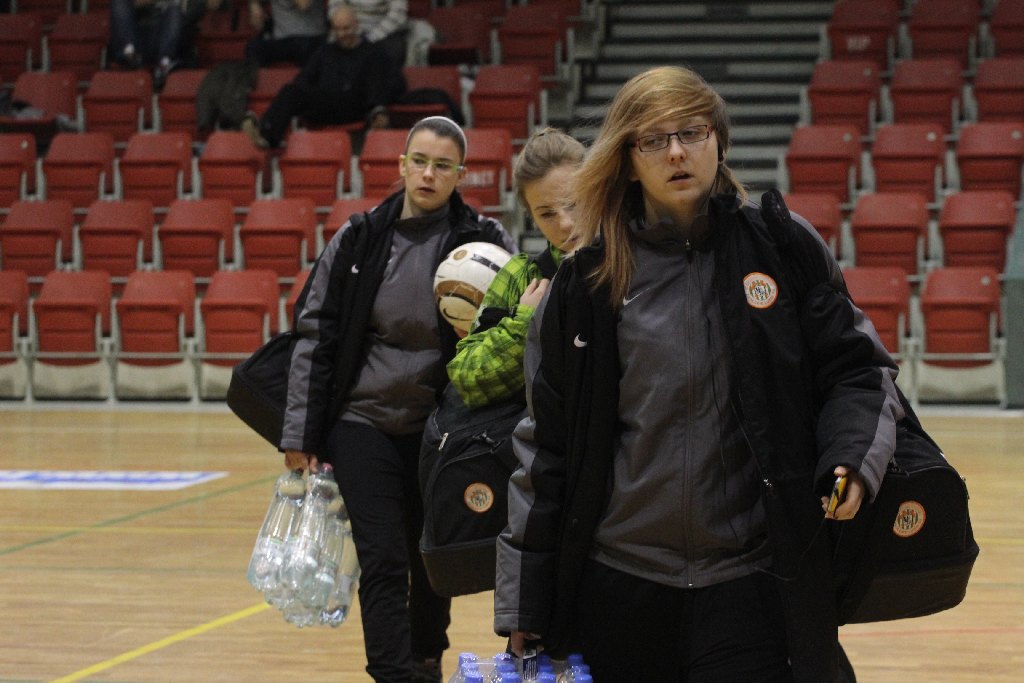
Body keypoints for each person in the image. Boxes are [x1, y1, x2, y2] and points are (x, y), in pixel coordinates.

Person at [493, 65, 905, 681]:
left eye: (693, 131)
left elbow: (860, 370)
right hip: (619, 582)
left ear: (719, 141)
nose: (677, 151)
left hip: (752, 579)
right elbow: (544, 448)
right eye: (654, 139)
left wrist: (851, 455)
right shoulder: (584, 283)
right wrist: (523, 603)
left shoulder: (782, 247)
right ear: (628, 158)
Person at [280, 116, 516, 683]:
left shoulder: (484, 242)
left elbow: (510, 335)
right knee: (383, 560)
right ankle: (392, 673)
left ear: (460, 174)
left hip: (443, 430)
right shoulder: (359, 236)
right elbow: (316, 333)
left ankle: (425, 658)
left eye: (443, 165)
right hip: (363, 422)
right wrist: (299, 435)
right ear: (402, 165)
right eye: (420, 161)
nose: (428, 174)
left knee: (430, 556)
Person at [446, 127, 584, 410]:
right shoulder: (520, 276)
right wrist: (525, 323)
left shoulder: (635, 259)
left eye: (575, 203)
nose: (566, 223)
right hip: (547, 448)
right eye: (547, 213)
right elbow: (467, 379)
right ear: (531, 216)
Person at [241, 4, 403, 149]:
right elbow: (303, 79)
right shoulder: (325, 51)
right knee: (291, 91)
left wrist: (377, 109)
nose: (341, 34)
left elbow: (382, 85)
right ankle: (266, 135)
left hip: (355, 105)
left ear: (356, 25)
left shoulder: (372, 52)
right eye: (337, 29)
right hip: (327, 102)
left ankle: (264, 129)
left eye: (346, 29)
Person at [108, 0, 186, 89]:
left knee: (174, 10)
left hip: (160, 36)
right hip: (133, 34)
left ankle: (164, 65)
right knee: (119, 3)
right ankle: (129, 55)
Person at [245, 0, 328, 67]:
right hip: (281, 40)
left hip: (310, 38)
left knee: (305, 47)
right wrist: (254, 5)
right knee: (254, 47)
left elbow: (303, 4)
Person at [330, 0, 409, 68]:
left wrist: (369, 38)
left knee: (393, 51)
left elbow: (398, 14)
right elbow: (335, 7)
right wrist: (351, 31)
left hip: (382, 32)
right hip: (349, 27)